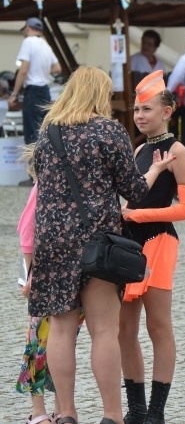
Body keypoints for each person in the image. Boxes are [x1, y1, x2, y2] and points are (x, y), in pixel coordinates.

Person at [28, 66, 176, 424]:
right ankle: (112, 415)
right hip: (96, 241)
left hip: (52, 240)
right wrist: (156, 171)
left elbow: (41, 187)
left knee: (61, 329)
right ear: (99, 95)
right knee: (104, 330)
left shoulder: (48, 133)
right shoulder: (108, 131)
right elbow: (134, 190)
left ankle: (66, 413)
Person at [118, 70, 185, 424]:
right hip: (129, 245)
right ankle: (136, 409)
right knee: (123, 330)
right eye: (137, 109)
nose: (139, 115)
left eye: (146, 109)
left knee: (158, 327)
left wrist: (137, 215)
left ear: (167, 112)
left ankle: (156, 411)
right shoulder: (138, 149)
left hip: (159, 242)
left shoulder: (177, 150)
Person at [15, 156, 85, 424]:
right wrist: (31, 276)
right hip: (46, 276)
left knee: (62, 343)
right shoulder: (44, 184)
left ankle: (59, 410)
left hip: (72, 275)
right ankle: (39, 411)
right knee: (38, 343)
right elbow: (27, 232)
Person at [9, 18, 60, 146]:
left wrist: (14, 93)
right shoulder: (46, 45)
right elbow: (57, 68)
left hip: (32, 90)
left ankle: (33, 159)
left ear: (28, 28)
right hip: (45, 91)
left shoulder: (28, 42)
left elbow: (23, 70)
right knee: (43, 130)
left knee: (32, 133)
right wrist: (43, 71)